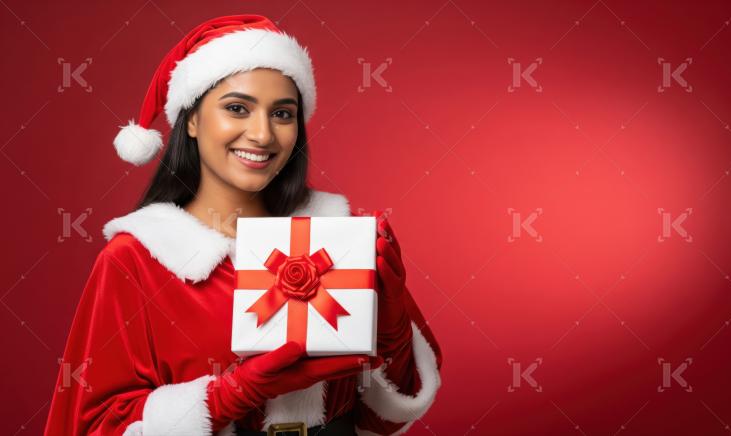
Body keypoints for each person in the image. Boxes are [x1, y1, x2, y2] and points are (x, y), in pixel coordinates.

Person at [44, 14, 442, 435]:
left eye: (283, 114)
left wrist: (394, 337)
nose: (262, 134)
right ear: (192, 120)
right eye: (237, 108)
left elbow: (386, 419)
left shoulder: (340, 236)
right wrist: (228, 394)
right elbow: (92, 425)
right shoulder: (137, 259)